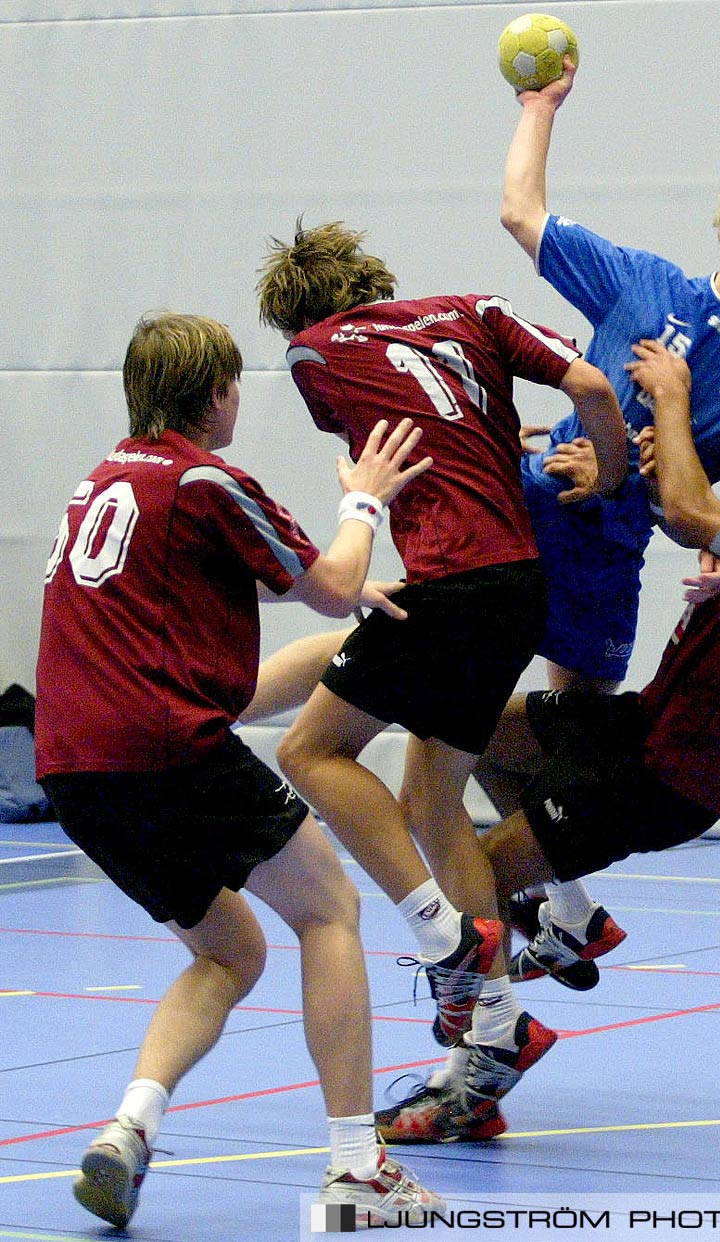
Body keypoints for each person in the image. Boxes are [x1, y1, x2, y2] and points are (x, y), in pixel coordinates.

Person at [373, 336, 720, 1142]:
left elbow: (690, 515)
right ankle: (572, 916)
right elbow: (684, 505)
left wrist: (673, 396)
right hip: (644, 722)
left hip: (667, 778)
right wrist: (632, 455)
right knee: (470, 729)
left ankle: (474, 1078)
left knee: (485, 880)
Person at [36, 312, 442, 1228]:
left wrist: (337, 589)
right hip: (164, 750)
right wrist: (363, 503)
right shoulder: (208, 477)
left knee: (230, 951)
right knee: (327, 907)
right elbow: (328, 580)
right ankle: (357, 1170)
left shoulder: (100, 482)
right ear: (216, 392)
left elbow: (241, 579)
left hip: (74, 769)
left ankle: (129, 1129)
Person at [253, 221, 630, 1119]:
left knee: (310, 754)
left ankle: (445, 942)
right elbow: (588, 382)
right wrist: (607, 472)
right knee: (430, 793)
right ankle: (495, 1016)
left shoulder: (314, 352)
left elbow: (380, 451)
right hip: (519, 587)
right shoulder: (473, 307)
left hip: (451, 582)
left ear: (296, 312)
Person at [486, 58, 720, 974]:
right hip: (532, 511)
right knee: (462, 722)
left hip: (609, 551)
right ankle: (554, 908)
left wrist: (709, 550)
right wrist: (540, 107)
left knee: (561, 744)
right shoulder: (644, 286)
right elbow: (521, 211)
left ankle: (544, 900)